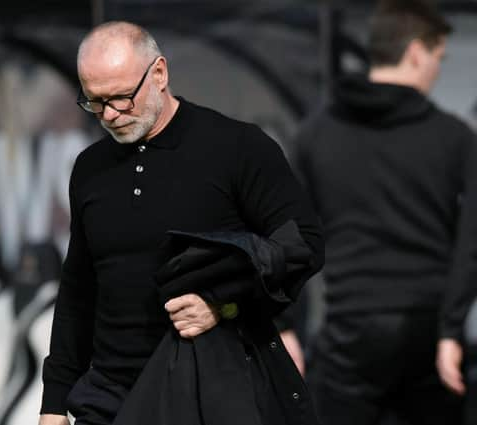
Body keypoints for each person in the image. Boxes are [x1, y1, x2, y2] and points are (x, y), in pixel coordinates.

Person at [38, 21, 324, 425]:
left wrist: (223, 303)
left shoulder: (238, 147)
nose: (112, 115)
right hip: (105, 397)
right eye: (95, 102)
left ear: (159, 74)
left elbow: (304, 244)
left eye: (122, 97)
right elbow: (78, 289)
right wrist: (53, 403)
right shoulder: (90, 168)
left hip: (205, 391)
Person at [288, 0, 477, 424]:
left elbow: (287, 235)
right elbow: (472, 240)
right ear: (414, 53)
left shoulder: (315, 135)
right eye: (437, 58)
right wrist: (451, 330)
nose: (436, 71)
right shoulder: (454, 137)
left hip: (350, 327)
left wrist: (283, 325)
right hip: (428, 333)